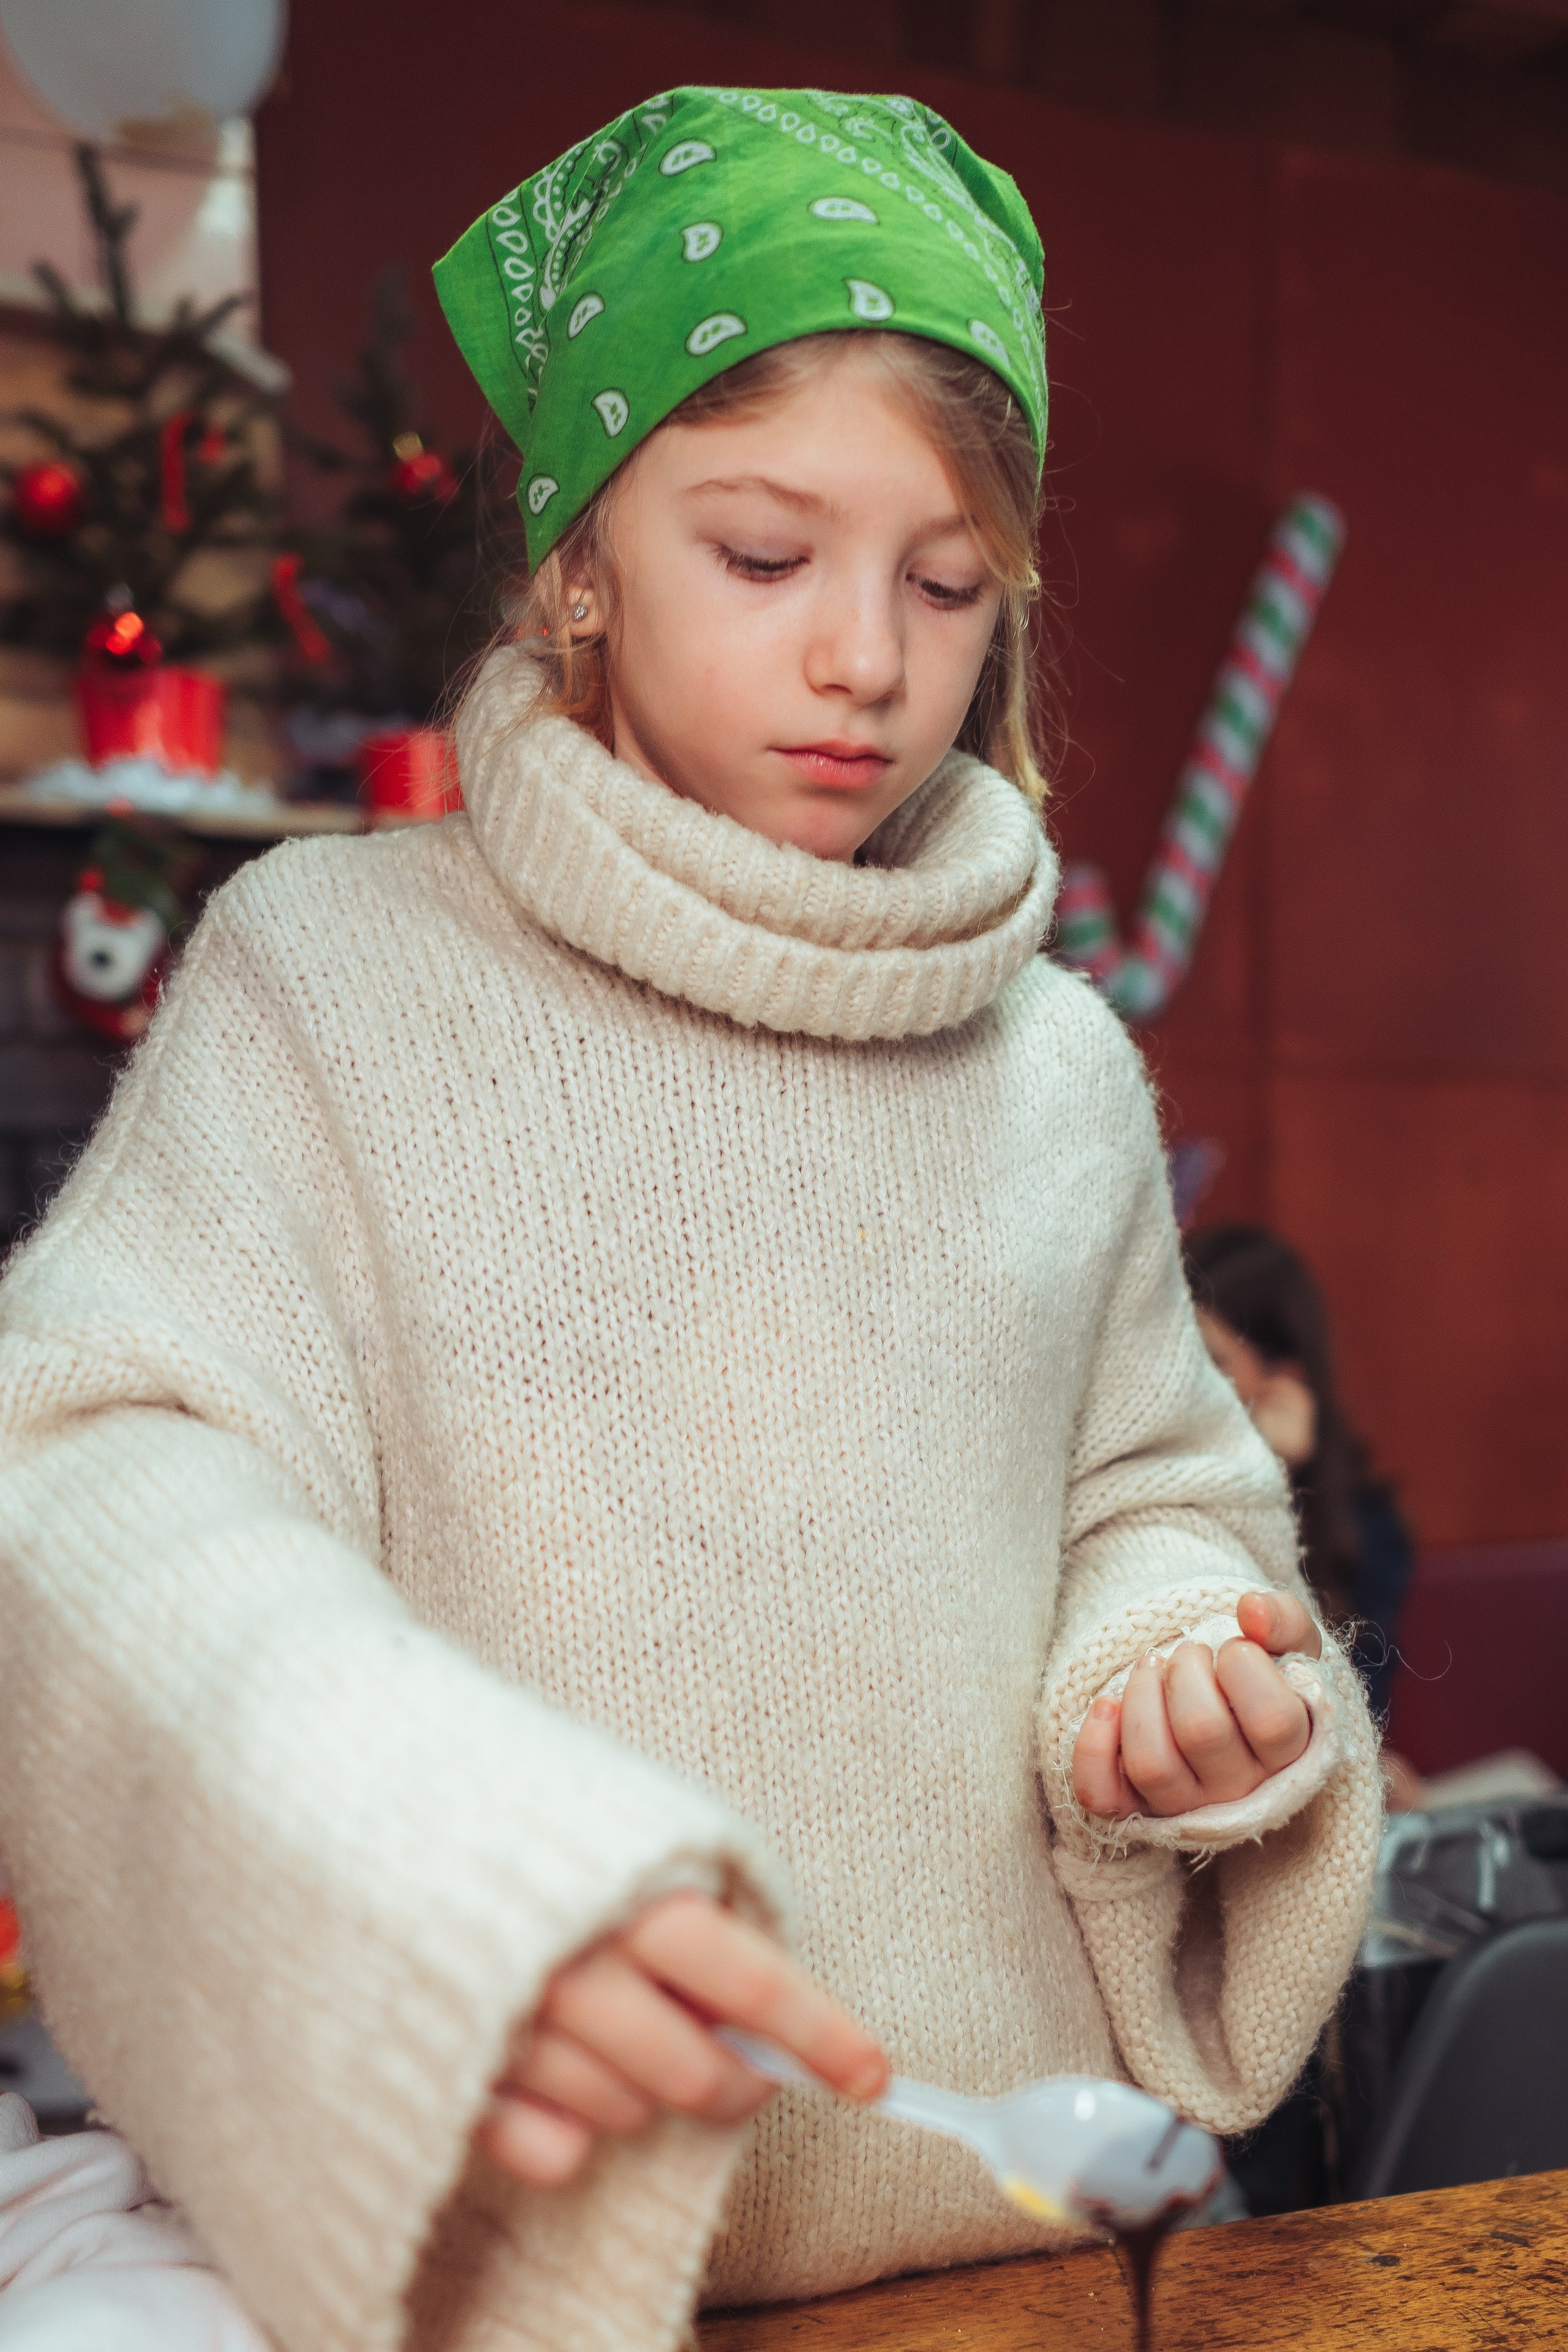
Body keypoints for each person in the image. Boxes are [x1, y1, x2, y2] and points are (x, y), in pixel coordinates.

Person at [0, 88, 1381, 2352]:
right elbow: (91, 1472)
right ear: (579, 560)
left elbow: (1154, 1496)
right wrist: (424, 1859)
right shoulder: (330, 981)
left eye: (943, 583)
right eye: (761, 556)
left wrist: (1167, 1674)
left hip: (993, 2246)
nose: (864, 658)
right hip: (484, 2260)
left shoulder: (1053, 1073)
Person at [1182, 1224, 1415, 1727]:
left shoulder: (1366, 1527)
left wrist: (1271, 1483)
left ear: (1286, 1379)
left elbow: (1356, 1708)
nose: (1182, 1383)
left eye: (1211, 1360)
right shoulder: (1152, 1488)